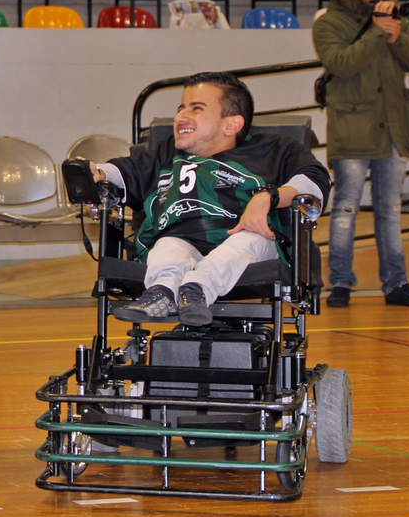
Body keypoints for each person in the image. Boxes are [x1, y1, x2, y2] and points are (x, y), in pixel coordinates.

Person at [89, 72, 330, 326]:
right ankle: (162, 292)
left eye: (196, 109)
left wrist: (269, 197)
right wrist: (95, 172)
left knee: (246, 241)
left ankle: (196, 290)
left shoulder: (275, 150)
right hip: (182, 237)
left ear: (231, 124)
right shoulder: (165, 153)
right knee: (168, 246)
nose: (180, 117)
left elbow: (315, 180)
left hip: (249, 237)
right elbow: (121, 171)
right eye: (181, 108)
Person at [313, 0, 409, 308]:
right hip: (352, 130)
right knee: (346, 209)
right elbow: (341, 63)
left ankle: (396, 284)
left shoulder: (392, 16)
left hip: (394, 128)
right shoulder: (328, 23)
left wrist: (397, 37)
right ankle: (340, 284)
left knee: (390, 210)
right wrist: (378, 34)